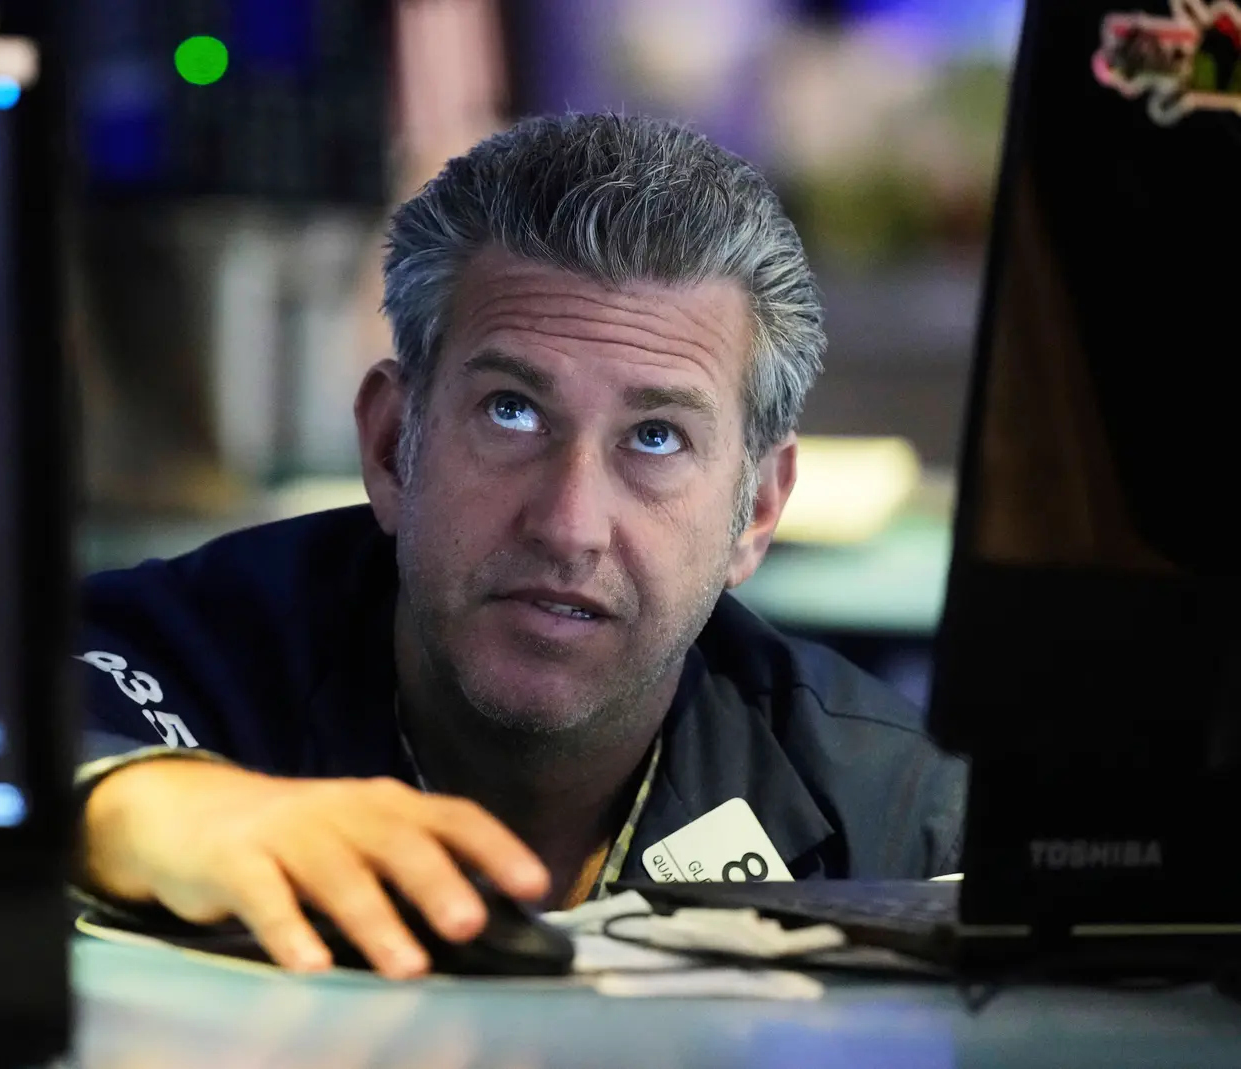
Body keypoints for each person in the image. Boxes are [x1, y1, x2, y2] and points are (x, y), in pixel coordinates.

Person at [72, 113, 967, 979]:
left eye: (655, 437)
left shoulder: (897, 813)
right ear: (392, 445)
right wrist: (139, 803)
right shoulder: (201, 649)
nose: (568, 524)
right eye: (512, 411)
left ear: (758, 509)